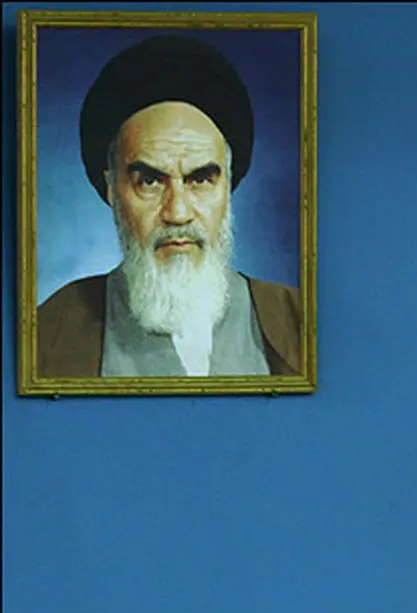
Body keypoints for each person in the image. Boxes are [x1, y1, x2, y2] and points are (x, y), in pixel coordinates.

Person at [37, 34, 302, 378]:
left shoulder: (299, 320)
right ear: (112, 189)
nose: (178, 213)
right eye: (150, 182)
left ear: (227, 185)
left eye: (200, 180)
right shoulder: (49, 333)